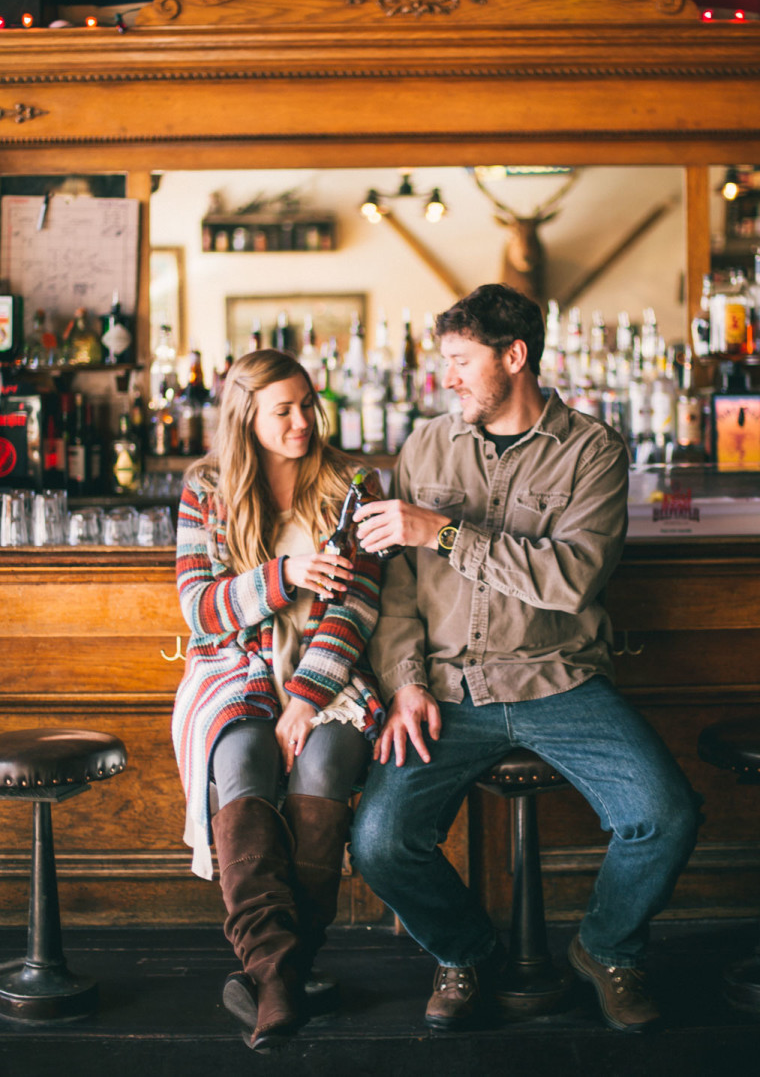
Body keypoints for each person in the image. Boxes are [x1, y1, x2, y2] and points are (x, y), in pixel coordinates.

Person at [350, 283, 700, 1034]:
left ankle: (606, 948)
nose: (447, 377)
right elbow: (399, 590)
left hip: (558, 678)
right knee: (379, 841)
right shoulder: (425, 446)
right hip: (448, 687)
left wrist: (444, 531)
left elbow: (571, 579)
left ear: (515, 356)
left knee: (666, 814)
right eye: (443, 360)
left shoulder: (593, 451)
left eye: (460, 360)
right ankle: (466, 953)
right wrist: (405, 682)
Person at [171, 348, 384, 1052]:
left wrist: (303, 700)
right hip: (235, 667)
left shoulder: (354, 483)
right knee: (241, 766)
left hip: (330, 673)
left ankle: (278, 977)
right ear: (247, 418)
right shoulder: (206, 488)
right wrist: (282, 574)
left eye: (306, 405)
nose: (301, 422)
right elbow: (200, 608)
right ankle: (276, 975)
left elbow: (356, 607)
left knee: (322, 772)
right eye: (282, 411)